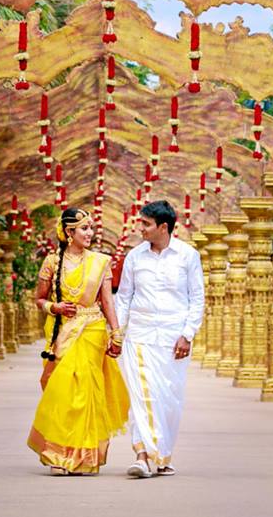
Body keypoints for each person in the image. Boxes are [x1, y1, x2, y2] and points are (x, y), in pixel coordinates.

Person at [27, 207, 130, 476]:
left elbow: (107, 300)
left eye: (91, 228)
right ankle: (58, 455)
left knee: (86, 392)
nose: (90, 233)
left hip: (93, 329)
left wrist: (116, 333)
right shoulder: (51, 262)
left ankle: (85, 457)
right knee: (62, 391)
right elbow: (39, 299)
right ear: (69, 232)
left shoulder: (100, 261)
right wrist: (55, 308)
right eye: (84, 228)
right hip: (63, 331)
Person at [115, 199, 205, 478]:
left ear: (163, 227)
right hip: (140, 336)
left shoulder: (187, 256)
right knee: (142, 396)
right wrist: (117, 332)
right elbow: (124, 297)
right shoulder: (135, 256)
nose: (140, 228)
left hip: (172, 338)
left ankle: (162, 455)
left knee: (169, 400)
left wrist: (187, 335)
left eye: (146, 224)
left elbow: (197, 298)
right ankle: (142, 456)